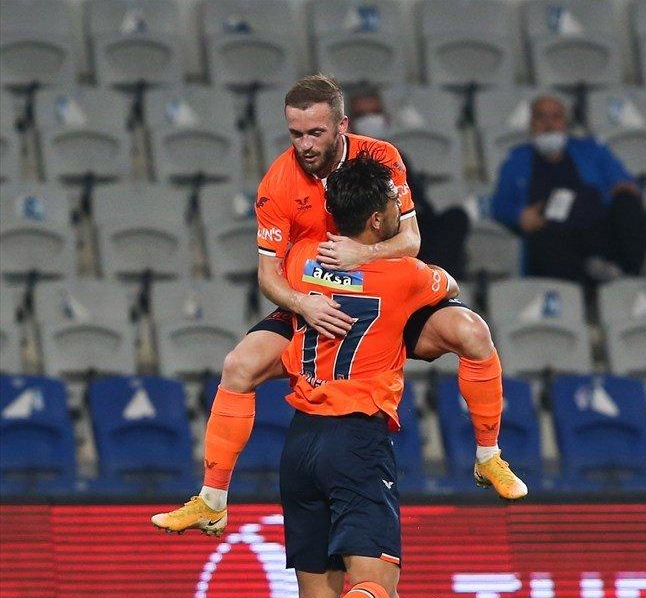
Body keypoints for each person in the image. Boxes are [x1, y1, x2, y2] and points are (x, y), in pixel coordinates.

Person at [152, 76, 525, 537]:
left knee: (472, 331)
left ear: (341, 125)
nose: (304, 145)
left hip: (386, 292)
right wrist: (302, 304)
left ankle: (488, 457)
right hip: (315, 302)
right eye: (295, 134)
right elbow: (268, 276)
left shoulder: (382, 158)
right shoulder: (278, 183)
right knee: (238, 366)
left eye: (315, 133)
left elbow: (411, 240)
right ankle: (212, 500)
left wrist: (363, 255)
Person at [267, 154, 454, 598]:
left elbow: (277, 275)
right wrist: (401, 258)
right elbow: (446, 287)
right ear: (377, 219)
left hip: (299, 439)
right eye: (392, 214)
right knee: (378, 584)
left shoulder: (301, 261)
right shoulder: (402, 276)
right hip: (355, 438)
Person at [491, 93, 646, 286]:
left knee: (627, 202)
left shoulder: (591, 150)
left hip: (596, 226)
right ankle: (591, 278)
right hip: (554, 235)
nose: (549, 124)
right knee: (543, 240)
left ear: (566, 123)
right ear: (531, 124)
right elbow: (499, 206)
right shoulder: (516, 160)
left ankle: (637, 271)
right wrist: (519, 216)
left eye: (556, 117)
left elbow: (623, 183)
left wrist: (623, 190)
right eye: (541, 117)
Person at [346, 85, 471, 279]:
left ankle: (432, 281)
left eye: (375, 113)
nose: (370, 120)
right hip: (372, 231)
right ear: (349, 123)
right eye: (362, 115)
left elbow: (420, 204)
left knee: (455, 217)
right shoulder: (343, 162)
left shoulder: (397, 156)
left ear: (386, 118)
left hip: (407, 225)